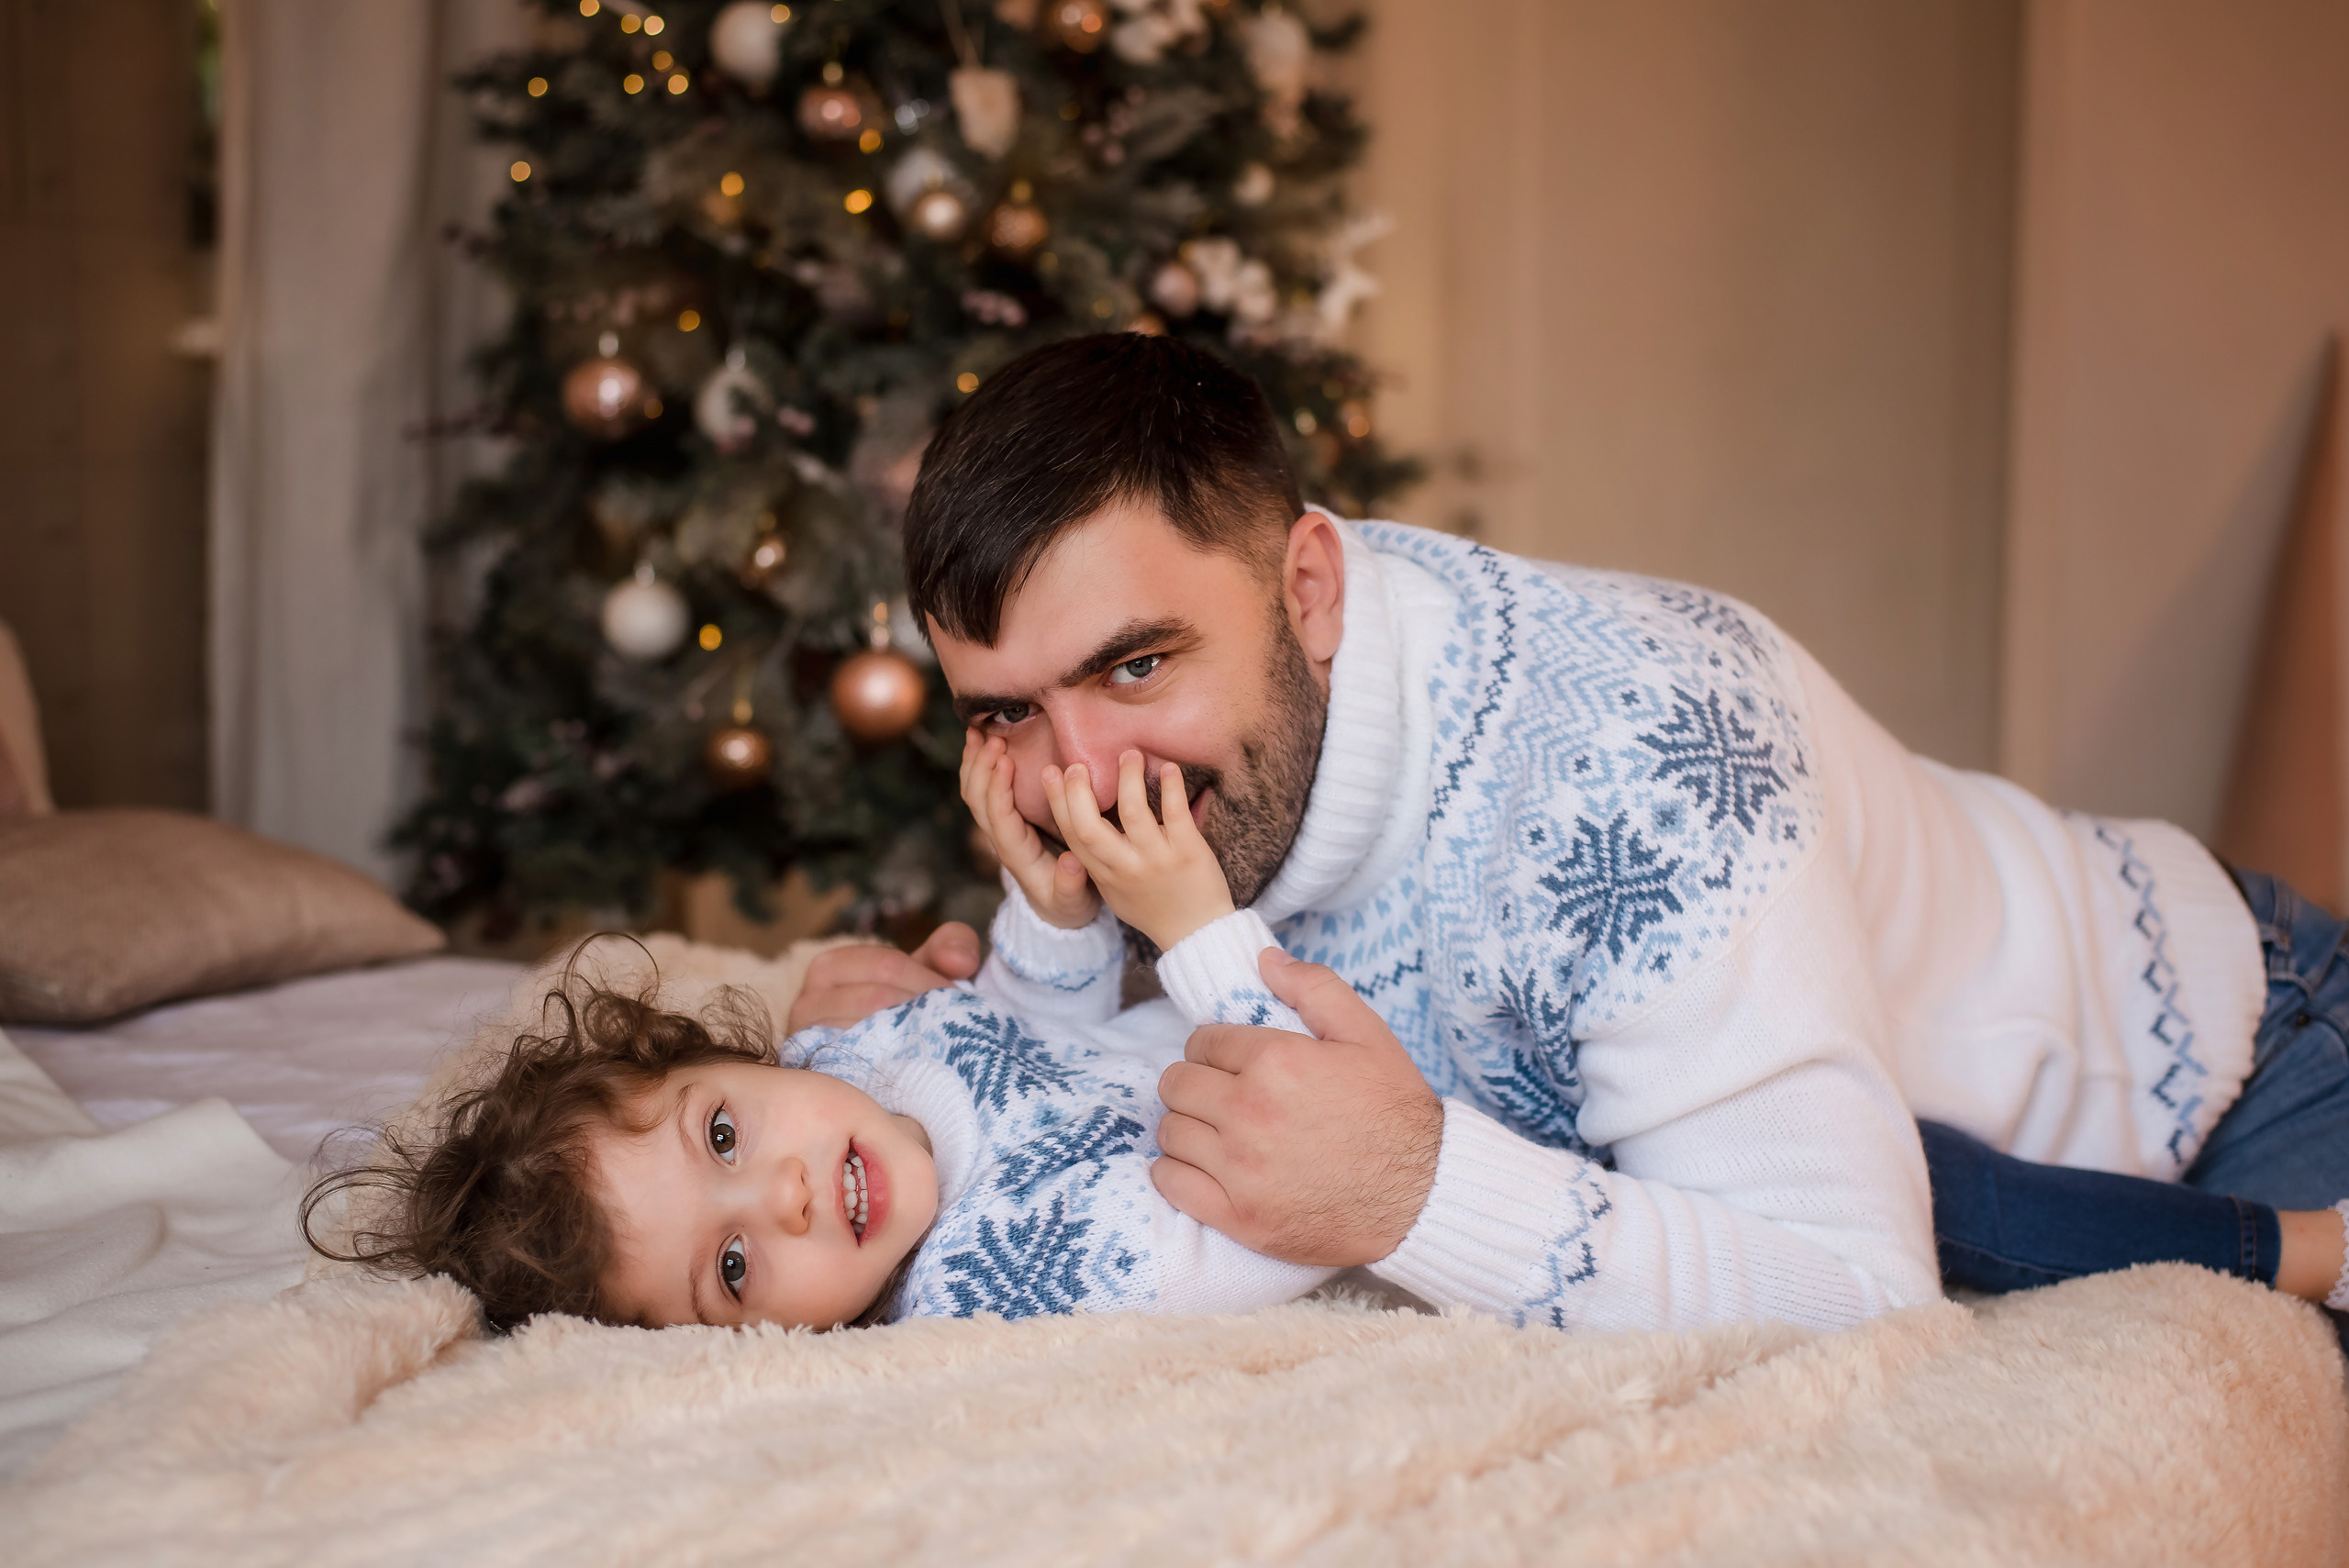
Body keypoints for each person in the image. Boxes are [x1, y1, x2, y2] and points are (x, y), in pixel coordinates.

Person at [785, 330, 2349, 1336]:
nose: (1082, 775)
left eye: (1136, 665)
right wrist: (999, 982)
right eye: (1004, 709)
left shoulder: (1641, 760)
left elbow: (1867, 1295)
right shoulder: (1167, 759)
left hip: (2243, 1065)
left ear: (1310, 588)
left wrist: (1410, 1189)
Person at [305, 743, 1346, 1329]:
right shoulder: (994, 1284)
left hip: (1291, 975)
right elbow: (1291, 1197)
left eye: (720, 1135)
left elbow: (1040, 1028)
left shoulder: (847, 1057)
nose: (785, 1196)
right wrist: (1195, 927)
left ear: (727, 1058)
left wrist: (1049, 907)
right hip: (1355, 1077)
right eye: (735, 1267)